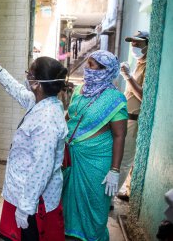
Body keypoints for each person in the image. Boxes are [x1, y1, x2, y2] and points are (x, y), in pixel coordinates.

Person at [0, 57, 68, 241]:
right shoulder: (41, 102)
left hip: (33, 200)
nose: (26, 77)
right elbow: (18, 91)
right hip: (24, 191)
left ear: (36, 84)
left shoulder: (47, 120)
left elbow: (41, 170)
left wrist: (25, 208)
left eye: (29, 74)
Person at [62, 50, 128, 240]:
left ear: (105, 70)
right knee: (68, 202)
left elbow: (119, 135)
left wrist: (115, 170)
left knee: (94, 204)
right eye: (87, 64)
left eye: (91, 65)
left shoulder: (115, 99)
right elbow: (69, 117)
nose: (86, 69)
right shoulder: (78, 90)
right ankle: (71, 234)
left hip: (96, 163)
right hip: (70, 157)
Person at [117, 31, 149, 202]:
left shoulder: (148, 65)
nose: (134, 46)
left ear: (148, 45)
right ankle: (127, 191)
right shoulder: (138, 63)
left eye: (138, 43)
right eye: (132, 43)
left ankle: (109, 199)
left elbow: (144, 96)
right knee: (121, 158)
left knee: (124, 160)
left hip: (134, 119)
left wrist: (128, 77)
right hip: (125, 117)